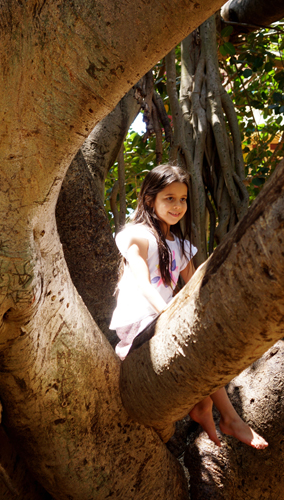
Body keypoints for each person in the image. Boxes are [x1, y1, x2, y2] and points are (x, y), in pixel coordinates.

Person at [110, 163, 268, 450]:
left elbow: (196, 288)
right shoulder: (136, 235)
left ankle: (204, 405)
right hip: (143, 321)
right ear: (149, 199)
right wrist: (170, 314)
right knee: (197, 343)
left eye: (182, 199)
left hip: (163, 319)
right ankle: (230, 418)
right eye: (169, 198)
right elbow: (143, 283)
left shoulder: (181, 246)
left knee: (210, 339)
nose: (177, 205)